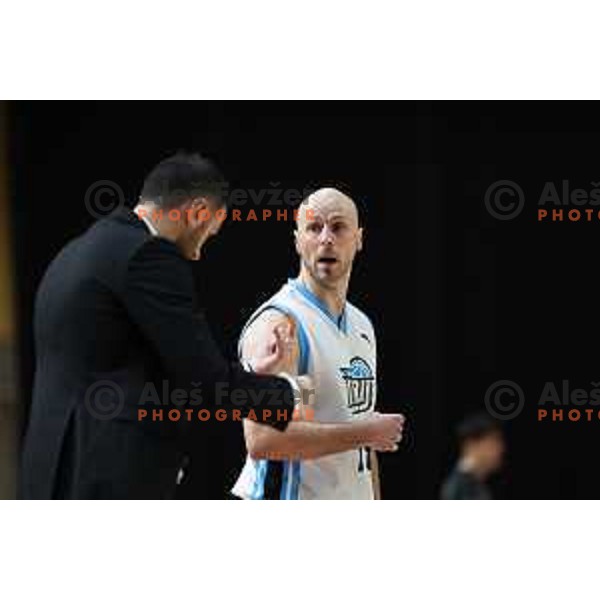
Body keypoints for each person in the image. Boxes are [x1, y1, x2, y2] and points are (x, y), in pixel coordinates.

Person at [19, 152, 307, 499]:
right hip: (108, 478)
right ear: (198, 213)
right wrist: (288, 392)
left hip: (51, 469)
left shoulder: (76, 252)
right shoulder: (147, 256)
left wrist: (248, 371)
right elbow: (204, 383)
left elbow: (132, 367)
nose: (199, 254)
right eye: (208, 235)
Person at [231, 187, 406, 500]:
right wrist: (365, 433)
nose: (326, 238)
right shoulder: (281, 323)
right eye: (314, 227)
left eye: (338, 227)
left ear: (359, 239)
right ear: (298, 241)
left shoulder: (362, 325)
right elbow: (264, 440)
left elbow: (364, 443)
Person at [440, 412, 506, 500]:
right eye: (493, 442)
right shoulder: (460, 488)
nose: (501, 449)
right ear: (471, 444)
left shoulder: (475, 486)